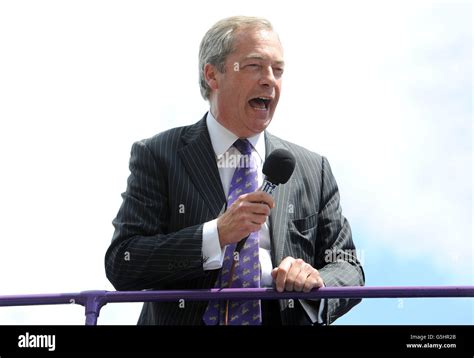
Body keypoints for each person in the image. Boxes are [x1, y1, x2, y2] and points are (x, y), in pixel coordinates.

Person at [105, 16, 364, 325]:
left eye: (277, 70)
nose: (270, 80)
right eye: (254, 66)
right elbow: (124, 261)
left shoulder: (313, 169)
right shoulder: (159, 155)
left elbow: (347, 265)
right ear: (213, 75)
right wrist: (215, 235)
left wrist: (314, 281)